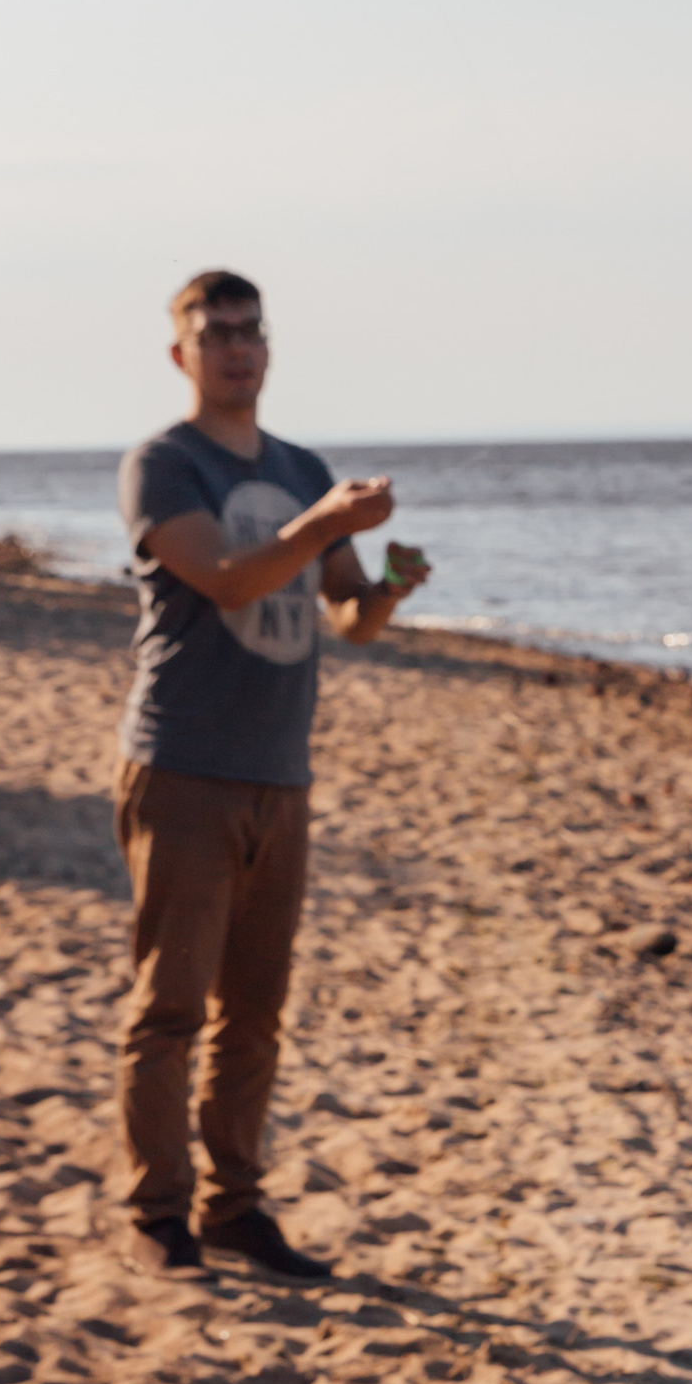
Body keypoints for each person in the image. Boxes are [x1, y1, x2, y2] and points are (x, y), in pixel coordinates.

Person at [113, 268, 429, 1278]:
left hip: (279, 777)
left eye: (251, 331)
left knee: (254, 1011)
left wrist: (389, 587)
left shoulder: (300, 467)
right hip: (183, 767)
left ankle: (234, 1208)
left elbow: (349, 619)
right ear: (182, 355)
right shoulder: (162, 465)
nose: (237, 348)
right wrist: (327, 524)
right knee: (171, 1006)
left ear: (269, 346)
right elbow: (227, 578)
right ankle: (158, 1213)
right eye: (216, 335)